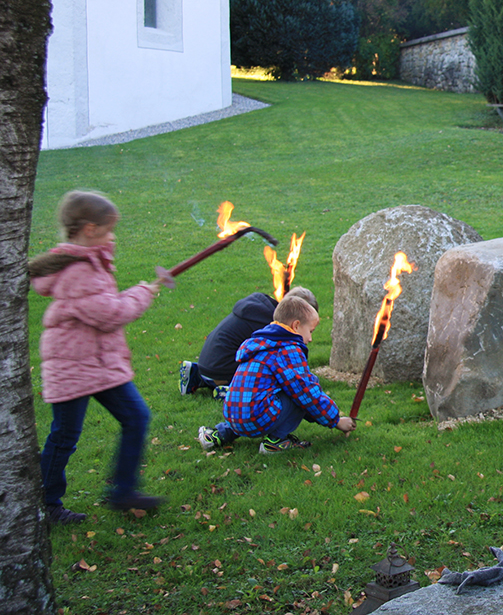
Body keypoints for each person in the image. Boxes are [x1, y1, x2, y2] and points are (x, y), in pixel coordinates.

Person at [29, 190, 165, 522]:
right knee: (64, 436)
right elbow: (109, 313)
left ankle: (122, 491)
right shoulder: (78, 271)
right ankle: (46, 505)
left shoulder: (89, 261)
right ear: (89, 229)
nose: (112, 236)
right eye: (107, 230)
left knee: (136, 417)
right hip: (73, 365)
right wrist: (143, 292)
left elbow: (103, 307)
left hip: (97, 363)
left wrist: (126, 279)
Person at [197, 296, 355, 454]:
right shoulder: (288, 349)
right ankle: (276, 441)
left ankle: (218, 435)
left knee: (250, 399)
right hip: (256, 419)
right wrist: (335, 420)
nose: (310, 338)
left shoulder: (258, 343)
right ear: (296, 325)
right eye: (310, 331)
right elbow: (306, 393)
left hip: (233, 415)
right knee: (300, 389)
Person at [180, 287, 319, 398]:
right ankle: (231, 391)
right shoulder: (273, 326)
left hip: (207, 364)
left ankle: (196, 376)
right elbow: (282, 366)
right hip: (223, 371)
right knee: (272, 376)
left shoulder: (259, 306)